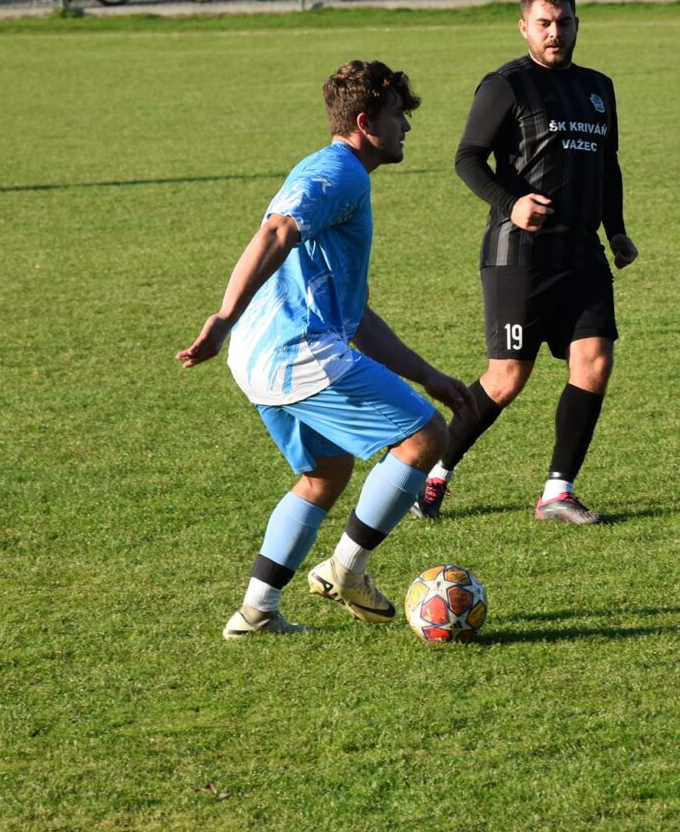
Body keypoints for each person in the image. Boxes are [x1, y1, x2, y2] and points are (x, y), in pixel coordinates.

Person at [176, 60, 474, 636]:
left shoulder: (332, 172)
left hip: (259, 357)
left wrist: (428, 374)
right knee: (426, 437)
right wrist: (222, 315)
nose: (407, 127)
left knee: (325, 474)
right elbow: (276, 231)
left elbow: (354, 315)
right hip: (295, 352)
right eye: (398, 116)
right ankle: (346, 569)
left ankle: (256, 611)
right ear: (365, 123)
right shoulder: (341, 173)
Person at [419, 0, 638, 525]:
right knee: (507, 378)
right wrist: (510, 203)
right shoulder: (506, 85)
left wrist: (617, 232)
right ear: (524, 26)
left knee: (595, 361)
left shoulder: (598, 87)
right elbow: (468, 158)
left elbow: (606, 166)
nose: (555, 32)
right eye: (544, 23)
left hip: (582, 253)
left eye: (563, 22)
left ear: (576, 24)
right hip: (519, 256)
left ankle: (557, 492)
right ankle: (430, 473)